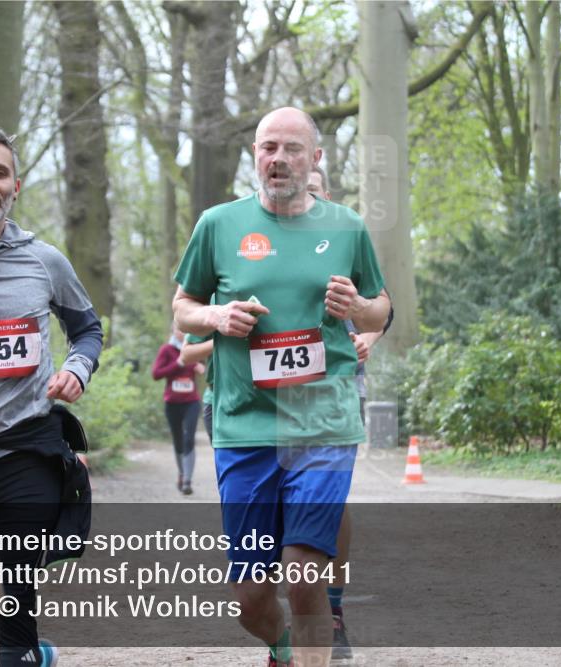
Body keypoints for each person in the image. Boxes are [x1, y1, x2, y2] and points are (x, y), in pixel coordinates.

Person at [173, 107, 391, 667]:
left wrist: (360, 306)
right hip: (245, 423)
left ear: (314, 158)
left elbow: (380, 310)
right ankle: (282, 647)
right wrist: (216, 316)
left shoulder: (346, 226)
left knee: (304, 576)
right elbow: (183, 306)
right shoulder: (217, 224)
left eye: (292, 148)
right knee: (250, 600)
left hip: (323, 421)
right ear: (255, 154)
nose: (279, 158)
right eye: (268, 147)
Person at [0, 126, 103, 667]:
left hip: (27, 447)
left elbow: (87, 329)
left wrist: (77, 370)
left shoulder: (45, 260)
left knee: (13, 596)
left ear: (16, 185)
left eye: (0, 172)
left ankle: (20, 651)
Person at [307, 165, 392, 661]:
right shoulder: (254, 238)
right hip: (267, 395)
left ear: (326, 193)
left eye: (314, 190)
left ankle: (332, 609)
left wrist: (369, 336)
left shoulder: (345, 234)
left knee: (330, 501)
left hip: (336, 387)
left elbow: (382, 307)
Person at [152, 320, 205, 494]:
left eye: (184, 329)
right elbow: (156, 374)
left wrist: (200, 367)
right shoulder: (166, 350)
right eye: (178, 329)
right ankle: (182, 473)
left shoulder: (194, 348)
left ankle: (187, 481)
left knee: (189, 438)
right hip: (172, 403)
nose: (181, 332)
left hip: (191, 402)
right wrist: (179, 363)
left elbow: (205, 367)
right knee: (178, 440)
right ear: (173, 331)